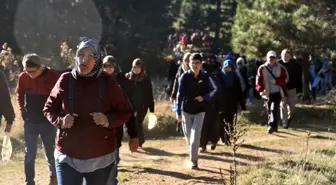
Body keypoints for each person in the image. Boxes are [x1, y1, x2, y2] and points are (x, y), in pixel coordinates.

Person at [43, 38, 131, 185]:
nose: (84, 59)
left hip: (100, 157)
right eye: (81, 54)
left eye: (91, 56)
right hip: (67, 155)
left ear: (97, 60)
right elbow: (48, 109)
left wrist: (107, 120)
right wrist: (61, 121)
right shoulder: (65, 79)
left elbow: (125, 112)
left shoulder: (108, 81)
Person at [16, 53, 60, 185]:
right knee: (29, 154)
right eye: (26, 71)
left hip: (48, 122)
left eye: (32, 72)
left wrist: (56, 116)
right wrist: (22, 112)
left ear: (40, 67)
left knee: (51, 152)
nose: (29, 74)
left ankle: (54, 178)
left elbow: (61, 96)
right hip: (30, 122)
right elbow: (19, 95)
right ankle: (29, 182)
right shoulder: (23, 77)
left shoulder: (53, 77)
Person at [176, 53, 217, 169]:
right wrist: (178, 112)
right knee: (190, 139)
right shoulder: (184, 77)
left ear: (201, 64)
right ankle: (193, 151)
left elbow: (215, 89)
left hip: (200, 111)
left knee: (195, 137)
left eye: (197, 63)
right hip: (186, 111)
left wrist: (204, 97)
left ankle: (193, 161)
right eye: (192, 63)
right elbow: (179, 95)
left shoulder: (205, 77)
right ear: (188, 63)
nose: (195, 65)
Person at [103, 55, 138, 185]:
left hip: (113, 135)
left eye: (110, 66)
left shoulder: (121, 83)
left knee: (111, 177)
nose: (107, 68)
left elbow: (127, 109)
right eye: (105, 66)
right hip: (92, 138)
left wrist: (133, 135)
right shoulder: (90, 85)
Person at [123, 58, 155, 148]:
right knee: (131, 123)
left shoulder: (145, 79)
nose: (136, 69)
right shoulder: (127, 77)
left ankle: (139, 140)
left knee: (137, 123)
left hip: (142, 106)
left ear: (142, 68)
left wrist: (152, 110)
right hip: (129, 105)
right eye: (134, 67)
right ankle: (138, 139)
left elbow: (149, 94)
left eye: (138, 67)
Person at [256, 51, 288, 134]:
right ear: (267, 58)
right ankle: (275, 126)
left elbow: (285, 79)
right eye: (270, 57)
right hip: (267, 93)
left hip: (277, 92)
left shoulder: (280, 67)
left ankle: (270, 126)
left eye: (273, 57)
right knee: (270, 110)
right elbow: (258, 80)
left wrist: (277, 81)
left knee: (274, 108)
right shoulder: (262, 68)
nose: (271, 59)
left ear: (275, 58)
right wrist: (260, 89)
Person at [218, 60, 243, 145]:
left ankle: (228, 139)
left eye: (229, 67)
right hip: (222, 103)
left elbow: (239, 90)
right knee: (223, 121)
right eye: (226, 67)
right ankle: (223, 137)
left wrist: (241, 103)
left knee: (232, 121)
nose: (228, 69)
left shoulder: (235, 77)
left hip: (232, 103)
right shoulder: (220, 77)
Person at [278, 49, 301, 128]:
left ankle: (289, 117)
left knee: (292, 107)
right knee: (283, 105)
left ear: (290, 57)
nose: (286, 57)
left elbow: (299, 77)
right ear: (281, 56)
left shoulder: (294, 64)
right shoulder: (278, 64)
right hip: (281, 88)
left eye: (287, 56)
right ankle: (284, 123)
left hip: (292, 88)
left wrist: (299, 89)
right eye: (284, 56)